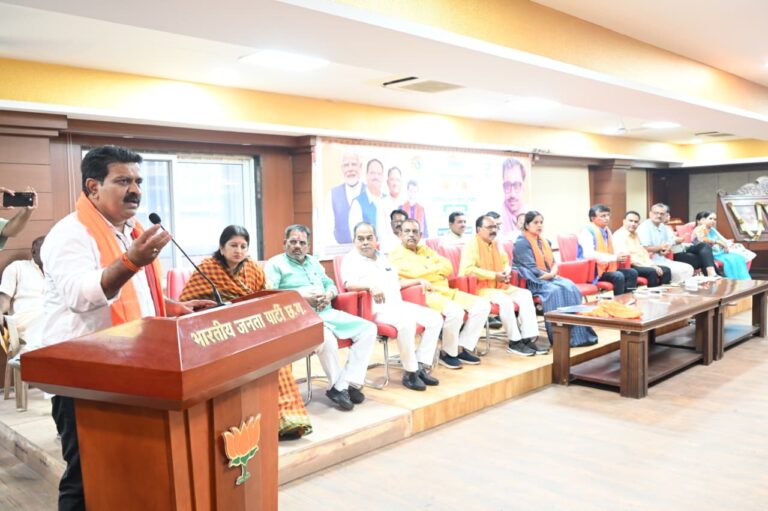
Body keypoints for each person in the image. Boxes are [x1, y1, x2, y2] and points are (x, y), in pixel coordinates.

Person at [40, 145, 216, 511]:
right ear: (93, 187)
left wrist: (170, 306)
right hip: (83, 376)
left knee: (124, 467)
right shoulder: (70, 234)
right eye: (123, 181)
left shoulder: (131, 231)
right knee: (86, 476)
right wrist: (131, 261)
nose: (135, 190)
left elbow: (136, 295)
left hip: (131, 369)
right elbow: (81, 296)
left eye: (138, 181)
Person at [179, 225, 313, 439]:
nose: (238, 251)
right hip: (219, 334)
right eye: (233, 245)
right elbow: (185, 304)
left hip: (251, 329)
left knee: (277, 357)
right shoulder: (208, 269)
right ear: (222, 247)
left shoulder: (252, 268)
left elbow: (265, 297)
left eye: (243, 246)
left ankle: (285, 418)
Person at [265, 224, 376, 411]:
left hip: (327, 312)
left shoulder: (313, 262)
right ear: (285, 243)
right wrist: (301, 297)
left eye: (302, 243)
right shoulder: (275, 264)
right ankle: (339, 387)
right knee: (326, 338)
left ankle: (345, 384)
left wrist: (329, 295)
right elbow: (270, 294)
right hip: (299, 318)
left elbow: (330, 284)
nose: (297, 246)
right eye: (293, 242)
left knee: (369, 329)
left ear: (308, 246)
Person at [341, 222, 442, 391]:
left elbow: (396, 283)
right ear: (354, 240)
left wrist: (417, 281)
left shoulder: (382, 257)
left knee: (435, 319)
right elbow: (348, 284)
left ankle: (421, 365)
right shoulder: (350, 260)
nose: (365, 242)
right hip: (375, 310)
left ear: (376, 239)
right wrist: (370, 287)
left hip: (397, 305)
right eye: (361, 239)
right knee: (406, 323)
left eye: (369, 238)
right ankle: (410, 372)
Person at [389, 219, 491, 369]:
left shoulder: (425, 250)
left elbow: (447, 266)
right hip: (425, 294)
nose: (411, 235)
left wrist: (428, 272)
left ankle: (461, 347)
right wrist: (434, 271)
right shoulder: (395, 255)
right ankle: (448, 353)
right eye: (407, 231)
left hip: (445, 290)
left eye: (415, 232)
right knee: (455, 312)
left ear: (420, 235)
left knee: (483, 305)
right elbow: (415, 274)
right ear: (400, 235)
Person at [459, 214, 542, 356]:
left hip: (500, 285)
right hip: (481, 288)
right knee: (506, 301)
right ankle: (514, 342)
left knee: (525, 294)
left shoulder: (497, 243)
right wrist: (494, 276)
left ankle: (528, 338)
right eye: (489, 227)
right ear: (478, 229)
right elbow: (467, 270)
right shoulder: (471, 245)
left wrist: (506, 272)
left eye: (495, 227)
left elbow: (505, 262)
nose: (493, 230)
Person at [513, 211, 598, 347]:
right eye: (535, 222)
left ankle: (579, 335)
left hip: (549, 277)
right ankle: (561, 338)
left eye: (541, 222)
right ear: (527, 225)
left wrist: (552, 273)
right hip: (533, 280)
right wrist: (548, 275)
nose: (539, 225)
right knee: (555, 291)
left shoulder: (543, 241)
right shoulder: (521, 242)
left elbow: (553, 262)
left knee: (571, 287)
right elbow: (529, 266)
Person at [577, 204, 638, 295]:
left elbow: (610, 250)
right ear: (593, 218)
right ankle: (619, 301)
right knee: (618, 276)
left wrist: (619, 255)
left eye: (608, 215)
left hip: (605, 267)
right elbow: (589, 254)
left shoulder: (606, 230)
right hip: (592, 271)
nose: (607, 218)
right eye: (603, 216)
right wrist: (614, 258)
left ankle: (628, 297)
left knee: (632, 272)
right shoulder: (587, 231)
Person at [0, 235, 45, 354]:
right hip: (27, 322)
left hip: (55, 319)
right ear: (33, 252)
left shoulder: (57, 272)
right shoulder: (18, 267)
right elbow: (4, 298)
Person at [636, 203, 697, 283]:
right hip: (649, 261)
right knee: (679, 271)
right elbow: (644, 248)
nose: (659, 216)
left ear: (665, 215)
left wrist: (666, 249)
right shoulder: (644, 227)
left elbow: (668, 243)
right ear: (650, 214)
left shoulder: (663, 227)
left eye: (662, 214)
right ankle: (673, 289)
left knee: (688, 268)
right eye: (656, 213)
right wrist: (660, 248)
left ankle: (680, 290)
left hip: (662, 259)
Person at [612, 211, 672, 287]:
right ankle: (653, 293)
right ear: (624, 221)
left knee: (666, 270)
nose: (633, 224)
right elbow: (628, 257)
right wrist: (649, 266)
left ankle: (663, 293)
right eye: (630, 221)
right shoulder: (619, 235)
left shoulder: (635, 234)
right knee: (652, 271)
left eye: (636, 222)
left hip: (641, 264)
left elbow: (643, 252)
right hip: (630, 265)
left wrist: (652, 264)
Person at [692, 211, 752, 280]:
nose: (713, 221)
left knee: (740, 257)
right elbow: (702, 240)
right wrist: (719, 243)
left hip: (719, 251)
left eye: (714, 219)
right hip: (709, 253)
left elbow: (722, 240)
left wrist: (726, 244)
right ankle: (734, 280)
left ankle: (742, 280)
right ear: (703, 220)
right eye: (710, 218)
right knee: (734, 259)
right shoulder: (700, 229)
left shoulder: (712, 230)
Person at [328, 152, 364, 244]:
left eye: (354, 164)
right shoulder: (333, 194)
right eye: (346, 165)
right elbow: (328, 229)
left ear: (360, 167)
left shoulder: (370, 192)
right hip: (340, 249)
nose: (350, 169)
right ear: (342, 168)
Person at [348, 158, 388, 238]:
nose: (376, 176)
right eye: (372, 173)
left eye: (379, 173)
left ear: (383, 177)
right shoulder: (357, 203)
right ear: (366, 175)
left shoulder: (388, 201)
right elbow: (356, 238)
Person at [499, 158, 527, 239]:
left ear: (523, 186)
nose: (512, 194)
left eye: (516, 185)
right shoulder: (496, 219)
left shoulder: (532, 216)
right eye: (507, 186)